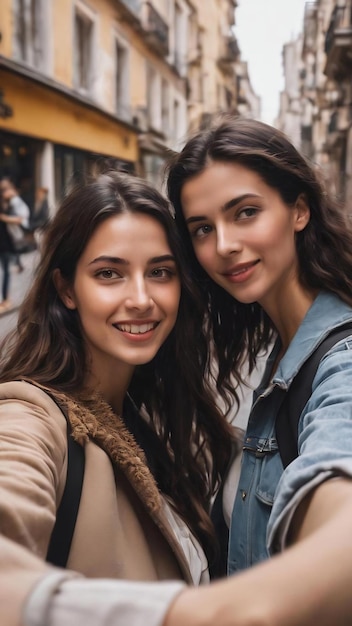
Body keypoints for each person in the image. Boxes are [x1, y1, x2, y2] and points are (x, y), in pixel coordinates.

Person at [0, 170, 235, 626]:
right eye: (109, 274)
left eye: (160, 272)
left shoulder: (148, 415)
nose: (142, 298)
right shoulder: (31, 415)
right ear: (66, 289)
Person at [163, 115, 352, 624]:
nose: (222, 244)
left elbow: (337, 482)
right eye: (202, 228)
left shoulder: (342, 361)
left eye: (245, 213)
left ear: (299, 210)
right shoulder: (285, 347)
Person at [0, 177, 31, 272]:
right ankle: (18, 263)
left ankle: (18, 263)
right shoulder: (9, 201)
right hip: (11, 231)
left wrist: (4, 218)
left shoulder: (15, 200)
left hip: (16, 230)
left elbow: (20, 219)